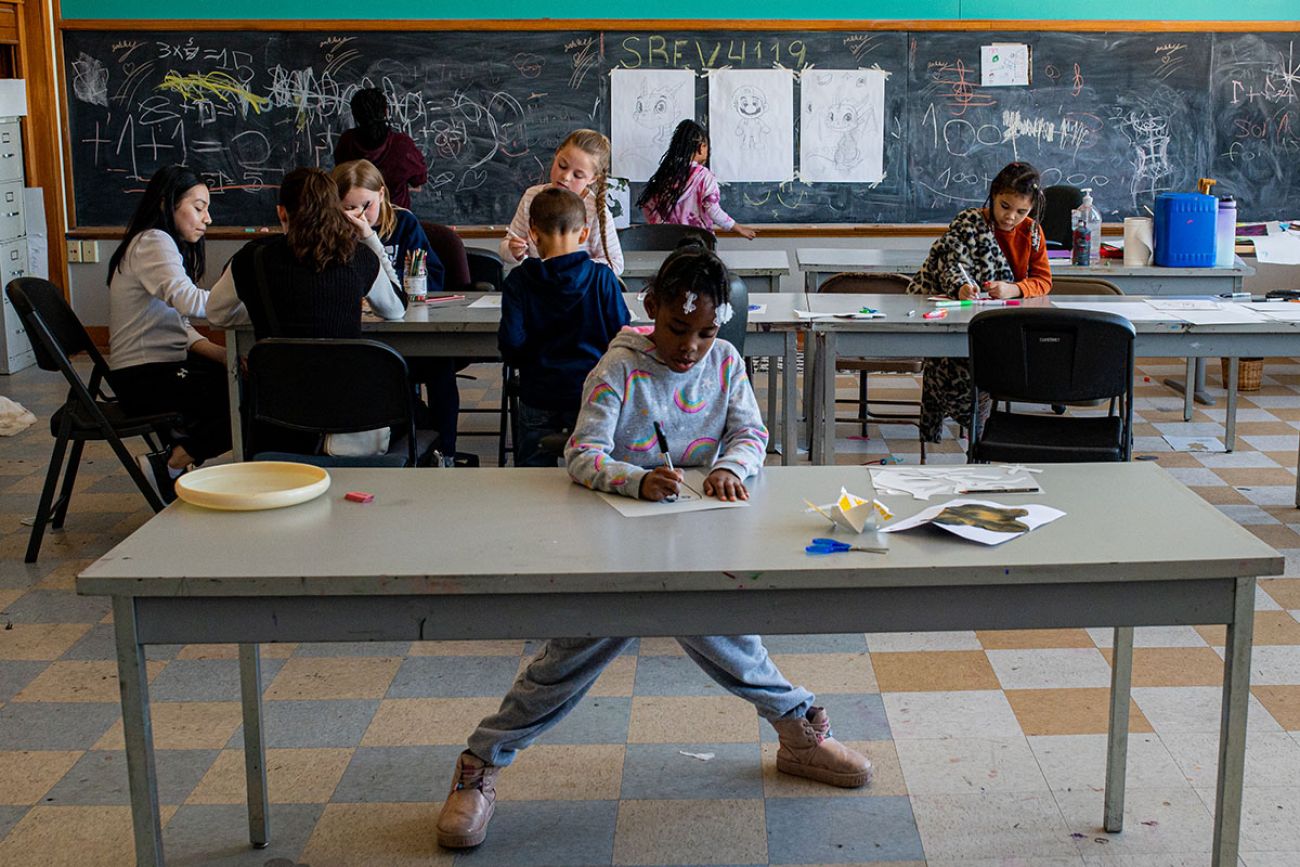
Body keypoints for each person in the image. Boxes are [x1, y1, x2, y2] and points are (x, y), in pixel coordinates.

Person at [435, 242, 872, 850]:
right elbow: (582, 454)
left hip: (701, 536)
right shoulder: (617, 369)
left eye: (704, 330)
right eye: (676, 328)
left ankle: (800, 733)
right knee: (567, 660)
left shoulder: (722, 362)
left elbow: (751, 431)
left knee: (730, 641)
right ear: (651, 308)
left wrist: (733, 469)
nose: (689, 346)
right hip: (620, 541)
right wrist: (635, 478)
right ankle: (481, 762)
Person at [107, 165, 237, 501]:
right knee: (246, 394)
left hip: (153, 370)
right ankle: (172, 463)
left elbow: (176, 322)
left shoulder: (155, 242)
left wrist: (220, 354)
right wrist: (247, 300)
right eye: (198, 207)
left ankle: (177, 461)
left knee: (240, 375)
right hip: (144, 378)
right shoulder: (154, 241)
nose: (207, 218)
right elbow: (190, 302)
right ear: (168, 203)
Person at [907, 161, 1053, 443]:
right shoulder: (970, 223)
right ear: (994, 195)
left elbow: (1044, 281)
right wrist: (962, 288)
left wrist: (1014, 288)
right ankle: (974, 420)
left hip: (1006, 321)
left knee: (991, 359)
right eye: (1005, 206)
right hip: (962, 315)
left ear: (1032, 209)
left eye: (1021, 211)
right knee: (959, 357)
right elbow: (951, 266)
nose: (1011, 217)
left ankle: (983, 425)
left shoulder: (1033, 234)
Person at [333, 159, 461, 464]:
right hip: (361, 336)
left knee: (440, 370)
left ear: (382, 195)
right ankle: (395, 444)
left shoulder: (404, 224)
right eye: (348, 207)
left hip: (409, 328)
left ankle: (446, 451)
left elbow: (433, 279)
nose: (359, 215)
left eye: (366, 205)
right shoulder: (332, 232)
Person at [499, 187, 630, 467]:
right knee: (592, 465)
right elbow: (622, 338)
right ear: (584, 234)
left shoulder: (518, 282)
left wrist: (535, 363)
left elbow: (511, 344)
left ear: (533, 233)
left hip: (538, 391)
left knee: (532, 474)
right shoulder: (602, 279)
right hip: (591, 391)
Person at [207, 166, 405, 339]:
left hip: (278, 379)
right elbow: (395, 309)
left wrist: (263, 309)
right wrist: (370, 238)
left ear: (282, 212)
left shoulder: (251, 258)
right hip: (344, 379)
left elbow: (216, 314)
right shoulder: (360, 256)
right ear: (336, 210)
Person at [499, 129, 624, 275]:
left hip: (578, 291)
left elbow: (615, 264)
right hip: (540, 288)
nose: (565, 176)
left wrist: (571, 266)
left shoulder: (595, 210)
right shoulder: (532, 196)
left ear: (592, 178)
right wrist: (514, 251)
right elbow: (505, 248)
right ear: (557, 154)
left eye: (578, 175)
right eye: (562, 166)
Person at [637, 119, 757, 239]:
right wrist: (739, 228)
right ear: (701, 147)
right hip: (699, 242)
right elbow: (713, 210)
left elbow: (647, 205)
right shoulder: (705, 176)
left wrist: (660, 226)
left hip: (668, 242)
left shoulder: (665, 174)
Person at [333, 87, 428, 210]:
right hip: (395, 218)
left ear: (355, 115)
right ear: (386, 112)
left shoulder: (347, 142)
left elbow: (341, 175)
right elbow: (420, 178)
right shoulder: (401, 145)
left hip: (357, 215)